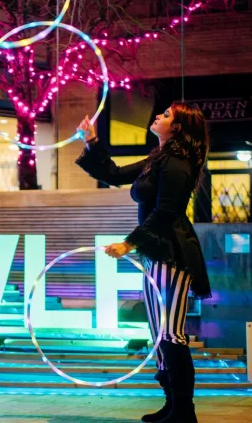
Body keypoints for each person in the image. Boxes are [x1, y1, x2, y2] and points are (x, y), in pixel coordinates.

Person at [76, 102, 212, 423]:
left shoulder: (176, 163)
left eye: (166, 115)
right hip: (155, 254)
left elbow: (165, 213)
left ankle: (184, 411)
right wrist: (92, 141)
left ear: (177, 128)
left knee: (171, 333)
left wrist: (128, 243)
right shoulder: (158, 158)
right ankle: (172, 403)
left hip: (173, 254)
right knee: (159, 333)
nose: (158, 116)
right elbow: (114, 174)